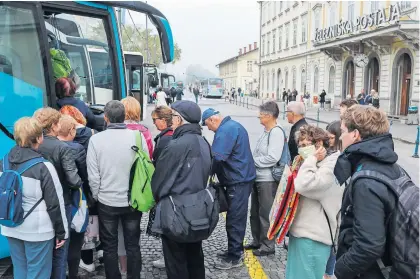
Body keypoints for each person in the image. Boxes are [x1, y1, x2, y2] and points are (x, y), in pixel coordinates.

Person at [334, 105, 413, 279]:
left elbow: (369, 245)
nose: (341, 136)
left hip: (373, 273)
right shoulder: (393, 167)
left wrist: (339, 271)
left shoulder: (366, 181)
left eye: (343, 131)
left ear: (355, 135)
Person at [0, 117, 68, 279]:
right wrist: (61, 232)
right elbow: (55, 203)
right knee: (38, 273)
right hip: (38, 231)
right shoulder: (44, 167)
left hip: (11, 226)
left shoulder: (4, 162)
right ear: (39, 138)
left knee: (20, 270)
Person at [151, 100, 212, 279]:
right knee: (194, 256)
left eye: (173, 116)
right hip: (198, 209)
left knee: (176, 262)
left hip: (176, 211)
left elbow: (160, 183)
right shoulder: (203, 141)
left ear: (179, 119)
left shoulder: (176, 145)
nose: (171, 120)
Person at [87, 101, 146, 279]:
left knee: (110, 245)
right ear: (124, 116)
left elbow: (93, 175)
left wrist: (98, 195)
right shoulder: (138, 137)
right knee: (133, 244)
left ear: (105, 118)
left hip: (107, 201)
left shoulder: (96, 140)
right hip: (133, 200)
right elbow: (144, 169)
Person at [202, 108, 256, 269]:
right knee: (234, 217)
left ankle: (235, 256)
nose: (208, 129)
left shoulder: (225, 130)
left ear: (212, 120)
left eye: (207, 125)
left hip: (238, 180)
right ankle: (233, 250)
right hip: (240, 178)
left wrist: (205, 174)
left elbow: (217, 157)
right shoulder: (233, 126)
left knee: (235, 219)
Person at [285, 125, 342, 279]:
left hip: (313, 237)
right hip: (303, 234)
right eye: (300, 146)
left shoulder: (330, 166)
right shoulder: (318, 163)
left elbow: (303, 185)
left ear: (318, 145)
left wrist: (312, 159)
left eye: (305, 146)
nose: (301, 150)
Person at [33, 107, 82, 279]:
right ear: (54, 125)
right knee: (60, 253)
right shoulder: (62, 148)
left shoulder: (32, 145)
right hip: (61, 204)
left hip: (36, 206)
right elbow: (74, 180)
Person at [246, 102, 284, 256]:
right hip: (259, 177)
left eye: (260, 114)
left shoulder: (276, 132)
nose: (258, 117)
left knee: (265, 213)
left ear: (268, 116)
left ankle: (268, 245)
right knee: (255, 212)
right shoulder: (266, 131)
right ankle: (257, 240)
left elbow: (273, 157)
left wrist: (252, 161)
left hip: (267, 179)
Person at [56, 115, 89, 279]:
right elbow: (84, 175)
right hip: (75, 199)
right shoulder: (77, 148)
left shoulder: (47, 146)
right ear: (71, 131)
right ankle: (73, 274)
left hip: (55, 200)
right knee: (75, 242)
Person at [324, 120, 342, 279]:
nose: (327, 141)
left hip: (336, 207)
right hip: (331, 207)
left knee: (333, 240)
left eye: (330, 138)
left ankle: (329, 274)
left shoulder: (339, 159)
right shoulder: (328, 153)